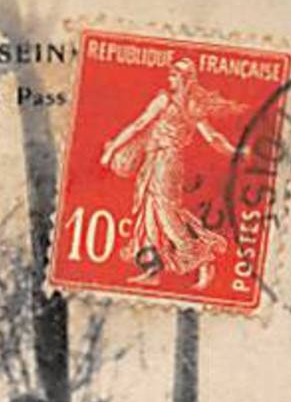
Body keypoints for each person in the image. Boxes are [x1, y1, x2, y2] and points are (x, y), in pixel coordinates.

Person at [99, 56, 243, 291]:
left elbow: (210, 137)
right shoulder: (185, 105)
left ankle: (203, 259)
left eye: (174, 75)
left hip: (166, 162)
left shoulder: (172, 103)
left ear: (186, 79)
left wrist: (236, 151)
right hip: (155, 160)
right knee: (149, 212)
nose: (170, 79)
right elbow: (140, 125)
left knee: (166, 213)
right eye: (171, 75)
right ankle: (152, 269)